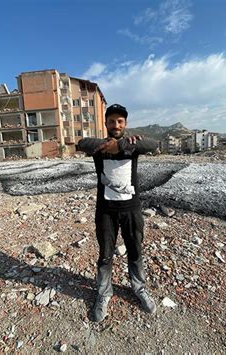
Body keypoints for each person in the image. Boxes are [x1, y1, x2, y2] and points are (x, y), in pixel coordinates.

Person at [76, 103, 159, 322]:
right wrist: (108, 145)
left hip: (131, 209)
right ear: (106, 123)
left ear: (125, 124)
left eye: (120, 121)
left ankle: (139, 288)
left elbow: (154, 143)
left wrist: (120, 145)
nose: (116, 124)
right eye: (111, 121)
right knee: (105, 254)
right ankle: (104, 293)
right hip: (106, 211)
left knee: (135, 250)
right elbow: (81, 143)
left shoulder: (132, 144)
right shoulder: (98, 147)